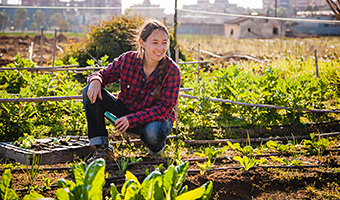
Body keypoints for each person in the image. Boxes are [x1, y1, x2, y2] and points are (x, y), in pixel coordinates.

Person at [82, 19, 181, 161]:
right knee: (89, 91)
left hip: (153, 121)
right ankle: (102, 149)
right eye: (155, 42)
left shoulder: (172, 71)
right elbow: (103, 74)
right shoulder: (128, 60)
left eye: (164, 43)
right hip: (126, 113)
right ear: (142, 43)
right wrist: (96, 80)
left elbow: (163, 108)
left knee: (152, 132)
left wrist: (132, 119)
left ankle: (156, 150)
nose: (160, 48)